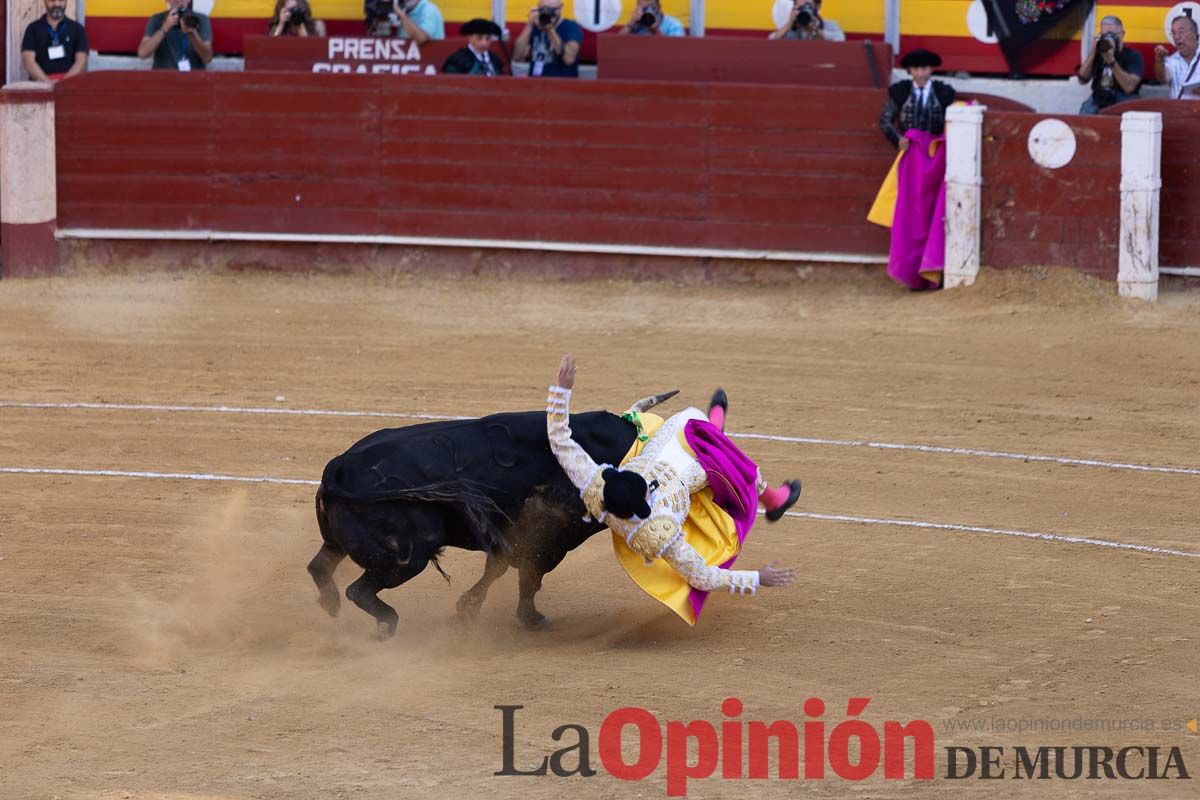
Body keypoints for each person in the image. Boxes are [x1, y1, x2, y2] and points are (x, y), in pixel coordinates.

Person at [546, 355, 801, 624]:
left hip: (655, 456)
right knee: (731, 463)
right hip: (686, 477)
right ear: (644, 504)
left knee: (690, 417)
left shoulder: (595, 483)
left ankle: (714, 429)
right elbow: (702, 577)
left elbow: (559, 439)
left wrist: (562, 389)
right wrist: (757, 578)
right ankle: (771, 499)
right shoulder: (659, 531)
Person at [874, 49, 957, 291]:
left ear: (931, 70)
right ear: (910, 71)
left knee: (934, 212)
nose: (921, 73)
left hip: (936, 156)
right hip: (911, 158)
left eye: (925, 69)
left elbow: (953, 122)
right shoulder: (899, 92)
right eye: (916, 69)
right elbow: (885, 121)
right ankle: (911, 274)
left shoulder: (945, 93)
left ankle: (933, 272)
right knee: (911, 214)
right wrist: (897, 139)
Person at [1075, 16, 1142, 114]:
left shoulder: (1132, 55)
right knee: (1086, 111)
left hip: (1124, 99)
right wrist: (1093, 53)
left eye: (1112, 35)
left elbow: (1129, 87)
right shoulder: (1098, 54)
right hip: (1099, 98)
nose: (1108, 39)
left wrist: (1111, 61)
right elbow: (1081, 80)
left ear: (1122, 34)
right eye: (1104, 35)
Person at [20, 0, 88, 83]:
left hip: (70, 85)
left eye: (61, 0)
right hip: (40, 85)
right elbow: (28, 61)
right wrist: (47, 83)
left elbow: (81, 62)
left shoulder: (77, 29)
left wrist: (63, 84)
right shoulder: (32, 29)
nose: (57, 4)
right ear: (44, 1)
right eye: (52, 0)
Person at [513, 0, 582, 78]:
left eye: (551, 10)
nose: (548, 14)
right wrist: (529, 25)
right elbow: (517, 56)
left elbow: (569, 59)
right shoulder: (536, 26)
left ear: (561, 8)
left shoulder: (571, 27)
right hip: (535, 84)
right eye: (543, 9)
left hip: (561, 85)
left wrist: (550, 30)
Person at [137, 0, 213, 71]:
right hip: (163, 79)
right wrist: (164, 28)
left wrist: (192, 33)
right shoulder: (157, 19)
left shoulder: (200, 20)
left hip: (193, 79)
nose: (179, 1)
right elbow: (143, 53)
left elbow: (207, 58)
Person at [1155, 15, 1200, 101]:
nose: (1176, 37)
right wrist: (1159, 60)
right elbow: (1162, 78)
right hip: (1179, 111)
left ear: (1194, 33)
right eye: (1174, 33)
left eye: (1181, 32)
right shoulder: (1172, 60)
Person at [770, 0, 845, 42]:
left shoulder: (829, 25)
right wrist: (790, 23)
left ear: (817, 7)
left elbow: (840, 39)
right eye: (801, 7)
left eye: (808, 7)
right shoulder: (792, 29)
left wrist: (817, 32)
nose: (805, 10)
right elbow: (771, 42)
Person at [619, 0, 685, 37]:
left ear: (659, 7)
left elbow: (675, 50)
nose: (648, 11)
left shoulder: (672, 24)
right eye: (644, 9)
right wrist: (631, 22)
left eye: (652, 8)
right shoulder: (637, 23)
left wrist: (655, 30)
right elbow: (617, 44)